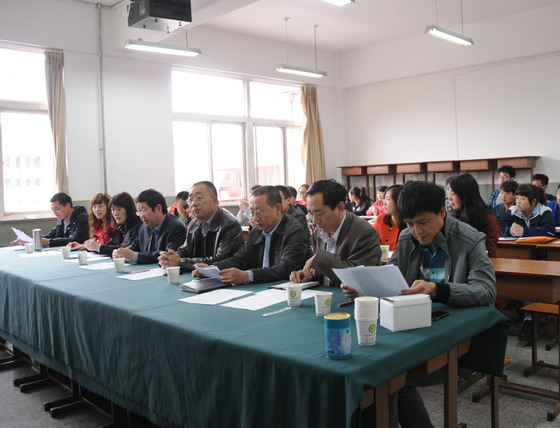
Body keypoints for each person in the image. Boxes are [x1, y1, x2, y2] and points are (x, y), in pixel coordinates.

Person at [343, 181, 496, 428]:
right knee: (377, 373)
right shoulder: (406, 237)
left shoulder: (469, 239)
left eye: (423, 222)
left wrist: (437, 290)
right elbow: (391, 279)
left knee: (387, 375)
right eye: (410, 223)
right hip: (411, 326)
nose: (416, 231)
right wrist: (362, 288)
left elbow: (486, 292)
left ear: (442, 212)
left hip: (456, 335)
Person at [194, 186, 308, 284]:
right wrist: (213, 268)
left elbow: (286, 268)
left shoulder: (294, 231)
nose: (255, 218)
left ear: (278, 208)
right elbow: (240, 258)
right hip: (261, 287)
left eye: (259, 211)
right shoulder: (256, 231)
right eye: (252, 212)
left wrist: (247, 275)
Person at [289, 179, 381, 287]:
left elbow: (359, 277)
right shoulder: (317, 232)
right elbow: (326, 274)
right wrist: (309, 274)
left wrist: (319, 259)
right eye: (310, 213)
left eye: (319, 213)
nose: (314, 221)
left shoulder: (364, 233)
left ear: (340, 207)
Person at [158, 181, 244, 273]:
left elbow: (220, 260)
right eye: (190, 200)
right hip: (197, 275)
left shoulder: (229, 224)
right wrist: (171, 257)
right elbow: (186, 250)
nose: (193, 204)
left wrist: (180, 262)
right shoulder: (193, 223)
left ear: (215, 201)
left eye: (199, 198)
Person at [113, 189, 186, 264]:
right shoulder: (143, 227)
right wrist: (121, 252)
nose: (141, 216)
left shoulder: (176, 227)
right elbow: (135, 246)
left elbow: (168, 255)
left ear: (159, 208)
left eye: (144, 211)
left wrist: (134, 256)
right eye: (139, 212)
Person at [446, 173, 499, 257]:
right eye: (449, 194)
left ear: (465, 195)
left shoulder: (488, 219)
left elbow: (489, 251)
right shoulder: (452, 217)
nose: (449, 198)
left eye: (453, 194)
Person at [373, 184, 404, 251]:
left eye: (388, 199)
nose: (384, 204)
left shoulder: (411, 222)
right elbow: (371, 241)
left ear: (399, 201)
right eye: (384, 200)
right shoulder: (380, 219)